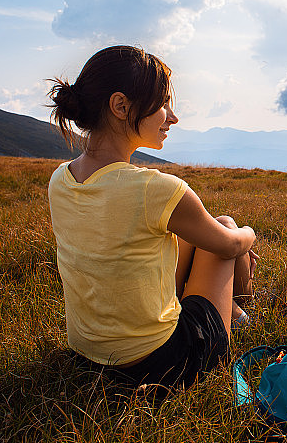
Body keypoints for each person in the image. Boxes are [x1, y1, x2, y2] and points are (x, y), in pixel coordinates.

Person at [46, 45, 257, 390]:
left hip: (88, 354)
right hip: (162, 365)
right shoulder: (153, 189)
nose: (172, 117)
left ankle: (233, 311)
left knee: (193, 233)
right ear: (120, 106)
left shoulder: (60, 178)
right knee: (226, 228)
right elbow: (230, 245)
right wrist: (248, 233)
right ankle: (243, 314)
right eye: (162, 103)